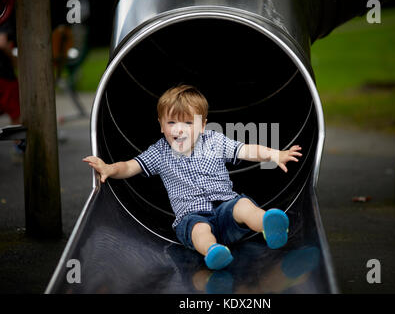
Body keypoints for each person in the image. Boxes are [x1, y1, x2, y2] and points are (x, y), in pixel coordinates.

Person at [83, 85, 303, 270]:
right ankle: (213, 251)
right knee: (200, 230)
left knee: (243, 205)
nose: (179, 130)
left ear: (203, 125)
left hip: (225, 208)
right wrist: (110, 168)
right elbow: (131, 166)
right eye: (171, 123)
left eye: (188, 123)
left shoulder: (214, 141)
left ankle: (268, 224)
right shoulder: (159, 152)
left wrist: (275, 154)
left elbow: (247, 150)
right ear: (161, 125)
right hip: (191, 216)